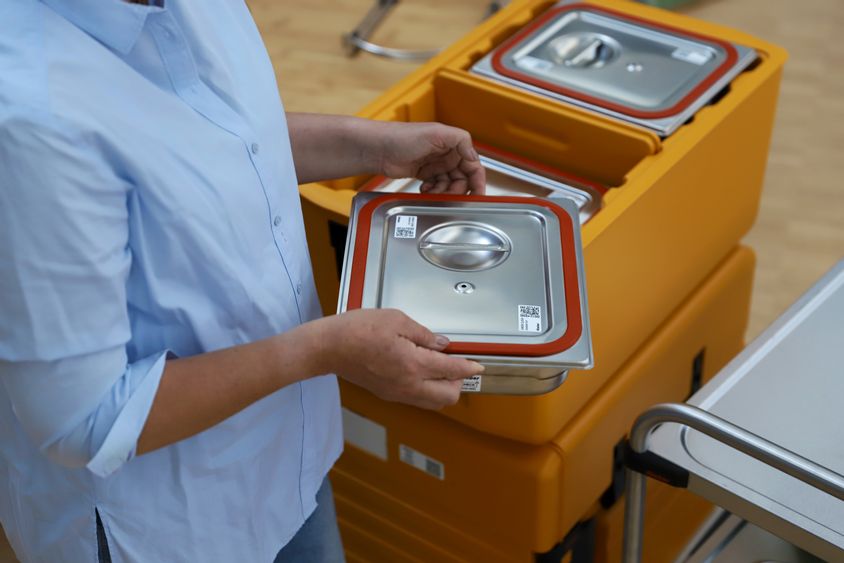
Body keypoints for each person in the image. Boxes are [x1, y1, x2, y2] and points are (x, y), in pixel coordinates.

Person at [0, 0, 487, 561]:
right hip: (169, 521)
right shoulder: (31, 112)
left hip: (287, 450)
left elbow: (219, 141)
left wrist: (370, 146)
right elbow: (86, 419)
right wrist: (321, 351)